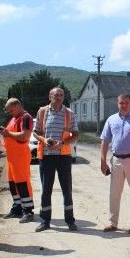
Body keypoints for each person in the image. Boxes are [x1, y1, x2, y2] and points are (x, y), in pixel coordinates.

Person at [100, 94, 130, 233]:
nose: (124, 105)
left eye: (126, 103)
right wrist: (103, 161)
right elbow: (104, 141)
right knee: (114, 194)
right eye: (121, 103)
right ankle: (112, 222)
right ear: (118, 104)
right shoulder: (111, 119)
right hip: (116, 160)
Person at [33, 87, 79, 232]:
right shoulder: (42, 111)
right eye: (56, 95)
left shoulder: (68, 113)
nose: (59, 97)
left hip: (64, 156)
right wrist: (44, 140)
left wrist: (63, 143)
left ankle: (70, 220)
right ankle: (45, 221)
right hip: (46, 157)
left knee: (67, 189)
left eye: (61, 95)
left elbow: (76, 135)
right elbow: (35, 132)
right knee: (46, 190)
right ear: (50, 96)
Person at [0, 98, 35, 223]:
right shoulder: (14, 118)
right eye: (8, 111)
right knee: (13, 184)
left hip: (20, 156)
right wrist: (5, 132)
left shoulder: (26, 117)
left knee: (22, 183)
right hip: (12, 156)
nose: (10, 112)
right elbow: (12, 133)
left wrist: (8, 134)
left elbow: (25, 136)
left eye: (11, 110)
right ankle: (17, 208)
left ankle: (28, 211)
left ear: (18, 105)